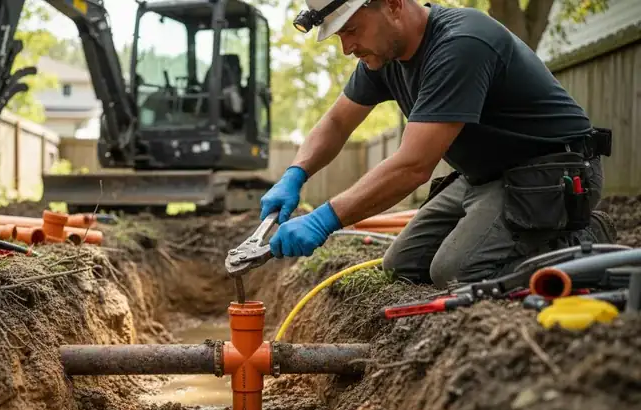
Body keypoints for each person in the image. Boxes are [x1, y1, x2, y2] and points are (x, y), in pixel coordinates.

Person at [260, 0, 617, 288]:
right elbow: (337, 122)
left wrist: (323, 220)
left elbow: (413, 166)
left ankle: (584, 238)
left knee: (456, 272)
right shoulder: (384, 57)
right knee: (402, 266)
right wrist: (295, 174)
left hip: (552, 171)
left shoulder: (460, 44)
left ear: (393, 5)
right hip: (484, 177)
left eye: (351, 30)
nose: (346, 48)